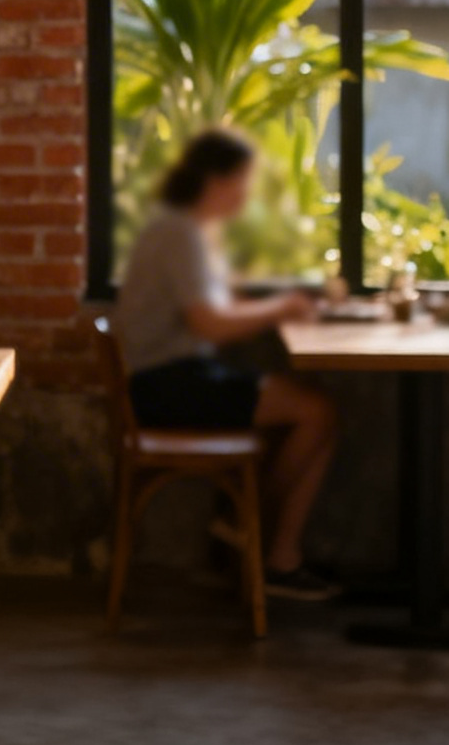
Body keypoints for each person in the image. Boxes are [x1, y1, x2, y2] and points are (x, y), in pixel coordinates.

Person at [110, 127, 340, 601]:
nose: (246, 192)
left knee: (311, 398)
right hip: (166, 386)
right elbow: (211, 324)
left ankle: (262, 543)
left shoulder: (190, 231)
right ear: (216, 180)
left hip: (176, 377)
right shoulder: (178, 234)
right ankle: (257, 537)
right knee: (317, 412)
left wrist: (285, 303)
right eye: (242, 180)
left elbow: (224, 308)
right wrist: (282, 308)